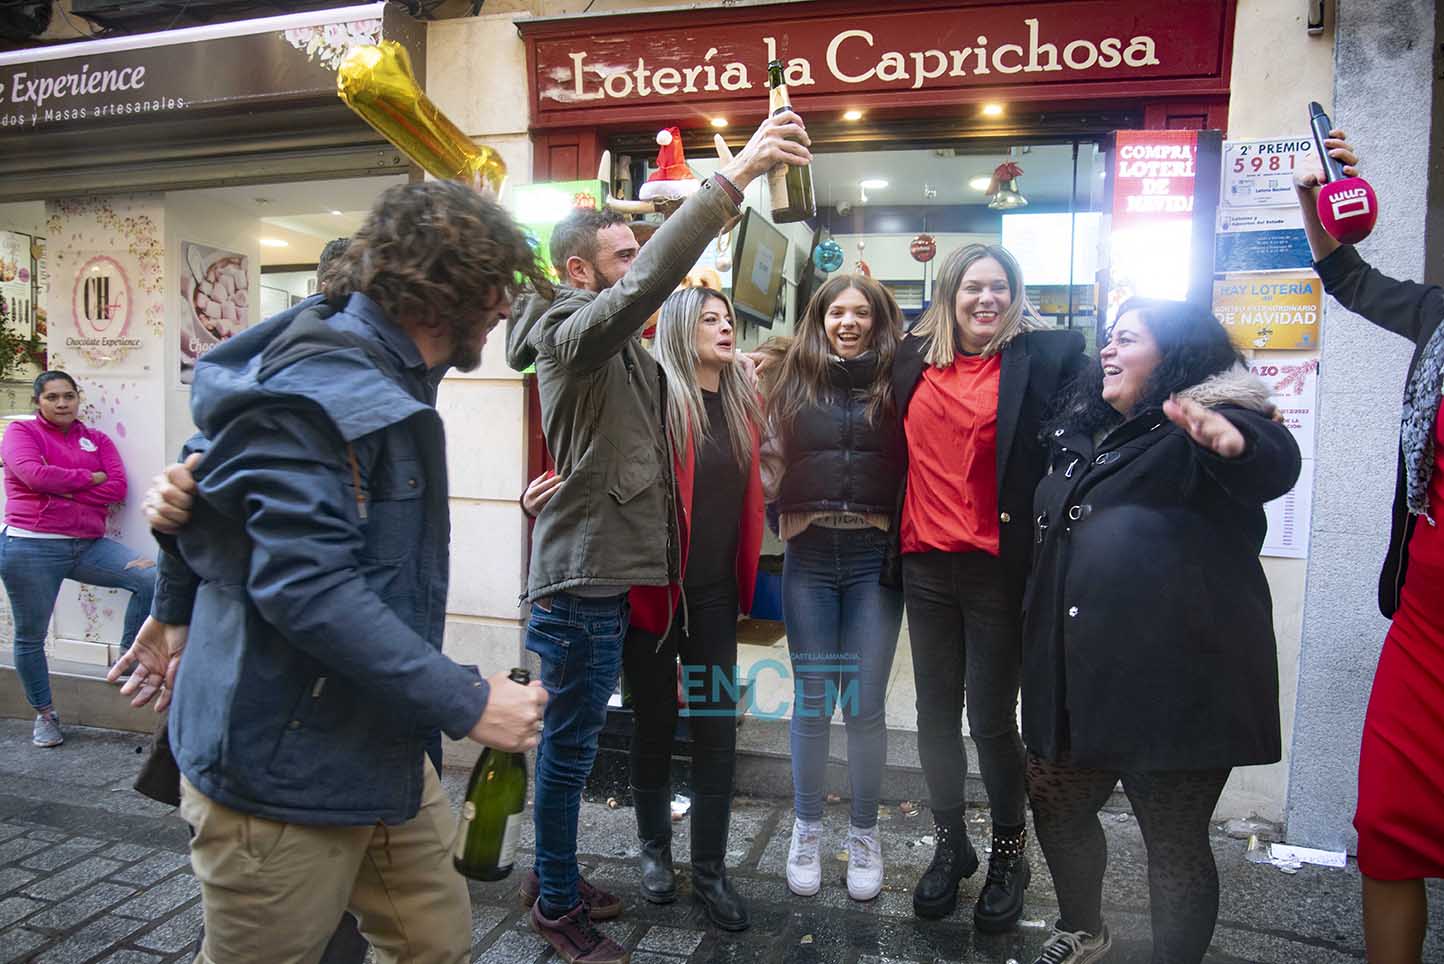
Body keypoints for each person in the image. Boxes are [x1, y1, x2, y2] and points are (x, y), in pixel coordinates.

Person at [111, 180, 551, 964]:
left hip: (376, 746)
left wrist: (174, 599)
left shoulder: (369, 367)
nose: (505, 310)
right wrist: (468, 701)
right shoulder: (322, 385)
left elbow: (197, 477)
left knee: (436, 944)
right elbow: (305, 587)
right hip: (279, 775)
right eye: (499, 290)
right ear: (453, 292)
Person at [505, 111, 809, 964]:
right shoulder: (582, 336)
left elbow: (608, 451)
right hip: (614, 586)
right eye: (618, 258)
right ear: (577, 273)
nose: (636, 273)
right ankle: (569, 891)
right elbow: (640, 299)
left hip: (672, 586)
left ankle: (590, 877)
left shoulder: (654, 369)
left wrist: (564, 481)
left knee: (666, 733)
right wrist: (734, 179)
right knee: (584, 747)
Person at [1022, 299, 1300, 964]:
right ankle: (1084, 930)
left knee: (1173, 838)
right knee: (1054, 802)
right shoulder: (1081, 430)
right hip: (1075, 670)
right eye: (1107, 340)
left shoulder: (1209, 423)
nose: (1107, 352)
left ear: (1177, 355)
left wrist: (1236, 443)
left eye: (1126, 339)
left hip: (1179, 682)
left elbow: (1269, 459)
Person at [517, 287, 765, 932]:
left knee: (714, 727)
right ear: (680, 329)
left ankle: (710, 869)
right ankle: (656, 853)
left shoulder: (743, 401)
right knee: (654, 724)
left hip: (711, 602)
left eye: (728, 318)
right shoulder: (655, 400)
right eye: (709, 318)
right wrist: (543, 500)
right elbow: (594, 463)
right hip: (651, 597)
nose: (724, 327)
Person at [887, 244, 1087, 929]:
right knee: (933, 716)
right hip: (923, 564)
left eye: (999, 287)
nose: (986, 299)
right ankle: (952, 846)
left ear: (1015, 294)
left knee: (992, 718)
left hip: (997, 568)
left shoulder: (1043, 362)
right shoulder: (913, 360)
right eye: (973, 287)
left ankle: (1010, 850)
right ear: (949, 294)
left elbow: (1107, 401)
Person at [1295, 133, 1442, 964]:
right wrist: (1315, 202)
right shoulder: (1439, 318)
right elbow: (1348, 280)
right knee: (1388, 826)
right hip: (1426, 631)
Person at [760, 275, 906, 903]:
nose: (849, 322)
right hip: (812, 554)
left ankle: (866, 833)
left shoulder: (901, 378)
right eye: (836, 312)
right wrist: (774, 510)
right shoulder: (787, 375)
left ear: (878, 319)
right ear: (818, 317)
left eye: (861, 312)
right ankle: (807, 828)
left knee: (865, 705)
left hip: (876, 556)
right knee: (814, 702)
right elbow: (763, 453)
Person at [1, 370, 157, 748]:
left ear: (77, 398)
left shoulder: (96, 439)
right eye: (52, 397)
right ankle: (46, 715)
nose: (61, 403)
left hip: (87, 544)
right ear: (38, 401)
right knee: (31, 635)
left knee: (152, 576)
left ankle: (130, 658)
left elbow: (118, 488)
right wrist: (90, 480)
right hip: (31, 546)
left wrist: (64, 490)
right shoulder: (21, 434)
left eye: (68, 396)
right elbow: (33, 476)